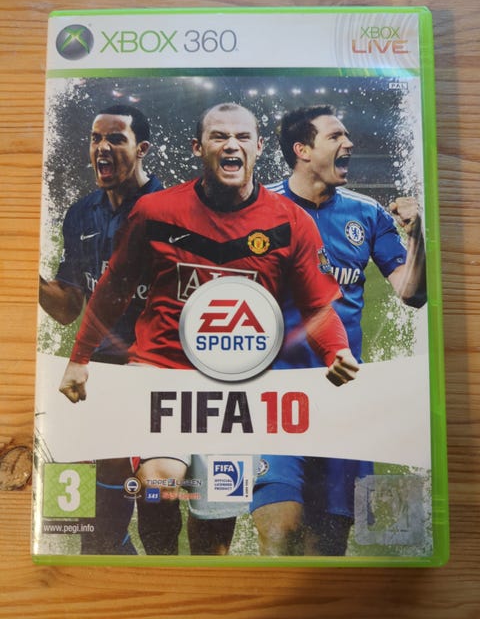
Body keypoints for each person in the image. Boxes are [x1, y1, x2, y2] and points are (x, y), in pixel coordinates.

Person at [57, 102, 360, 555]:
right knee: (158, 483)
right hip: (160, 375)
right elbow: (112, 290)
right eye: (219, 136)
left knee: (213, 531)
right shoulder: (156, 211)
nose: (231, 144)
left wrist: (337, 349)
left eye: (242, 137)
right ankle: (162, 565)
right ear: (198, 148)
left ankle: (201, 577)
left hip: (235, 390)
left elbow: (317, 305)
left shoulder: (290, 222)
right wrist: (80, 358)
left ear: (259, 147)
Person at [251, 104, 427, 556]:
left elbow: (411, 292)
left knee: (327, 545)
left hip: (345, 396)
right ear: (302, 150)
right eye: (336, 136)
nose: (349, 143)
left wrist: (418, 235)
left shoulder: (366, 213)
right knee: (279, 529)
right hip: (274, 393)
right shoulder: (256, 207)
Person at [39, 104, 182, 555]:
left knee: (158, 499)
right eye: (96, 138)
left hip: (160, 373)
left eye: (116, 138)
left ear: (142, 149)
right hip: (98, 373)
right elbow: (68, 309)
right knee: (95, 526)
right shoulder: (81, 214)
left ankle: (165, 581)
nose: (102, 147)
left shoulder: (176, 210)